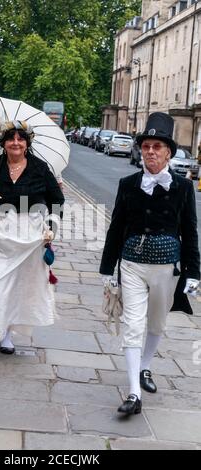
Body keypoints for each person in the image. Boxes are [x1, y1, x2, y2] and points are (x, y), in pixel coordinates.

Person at [99, 112, 200, 416]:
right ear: (140, 150)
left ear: (168, 152)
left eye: (158, 146)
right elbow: (116, 227)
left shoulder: (182, 188)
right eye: (146, 146)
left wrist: (194, 273)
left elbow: (190, 232)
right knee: (132, 324)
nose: (151, 152)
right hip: (131, 264)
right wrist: (108, 269)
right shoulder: (128, 184)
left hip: (167, 268)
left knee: (156, 322)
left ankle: (145, 367)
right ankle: (133, 393)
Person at [0, 120, 65, 364]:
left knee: (19, 288)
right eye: (11, 138)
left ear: (27, 143)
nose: (16, 142)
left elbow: (57, 200)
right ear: (4, 143)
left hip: (29, 239)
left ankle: (7, 335)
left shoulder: (40, 168)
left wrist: (51, 227)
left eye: (21, 139)